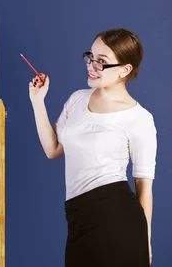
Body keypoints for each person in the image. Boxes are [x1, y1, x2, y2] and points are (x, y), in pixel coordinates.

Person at [29, 28, 157, 266]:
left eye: (101, 62)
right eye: (91, 57)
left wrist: (145, 240)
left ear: (124, 70)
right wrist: (38, 101)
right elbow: (53, 150)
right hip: (77, 218)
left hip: (115, 218)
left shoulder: (139, 118)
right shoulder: (77, 99)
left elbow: (143, 185)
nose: (91, 65)